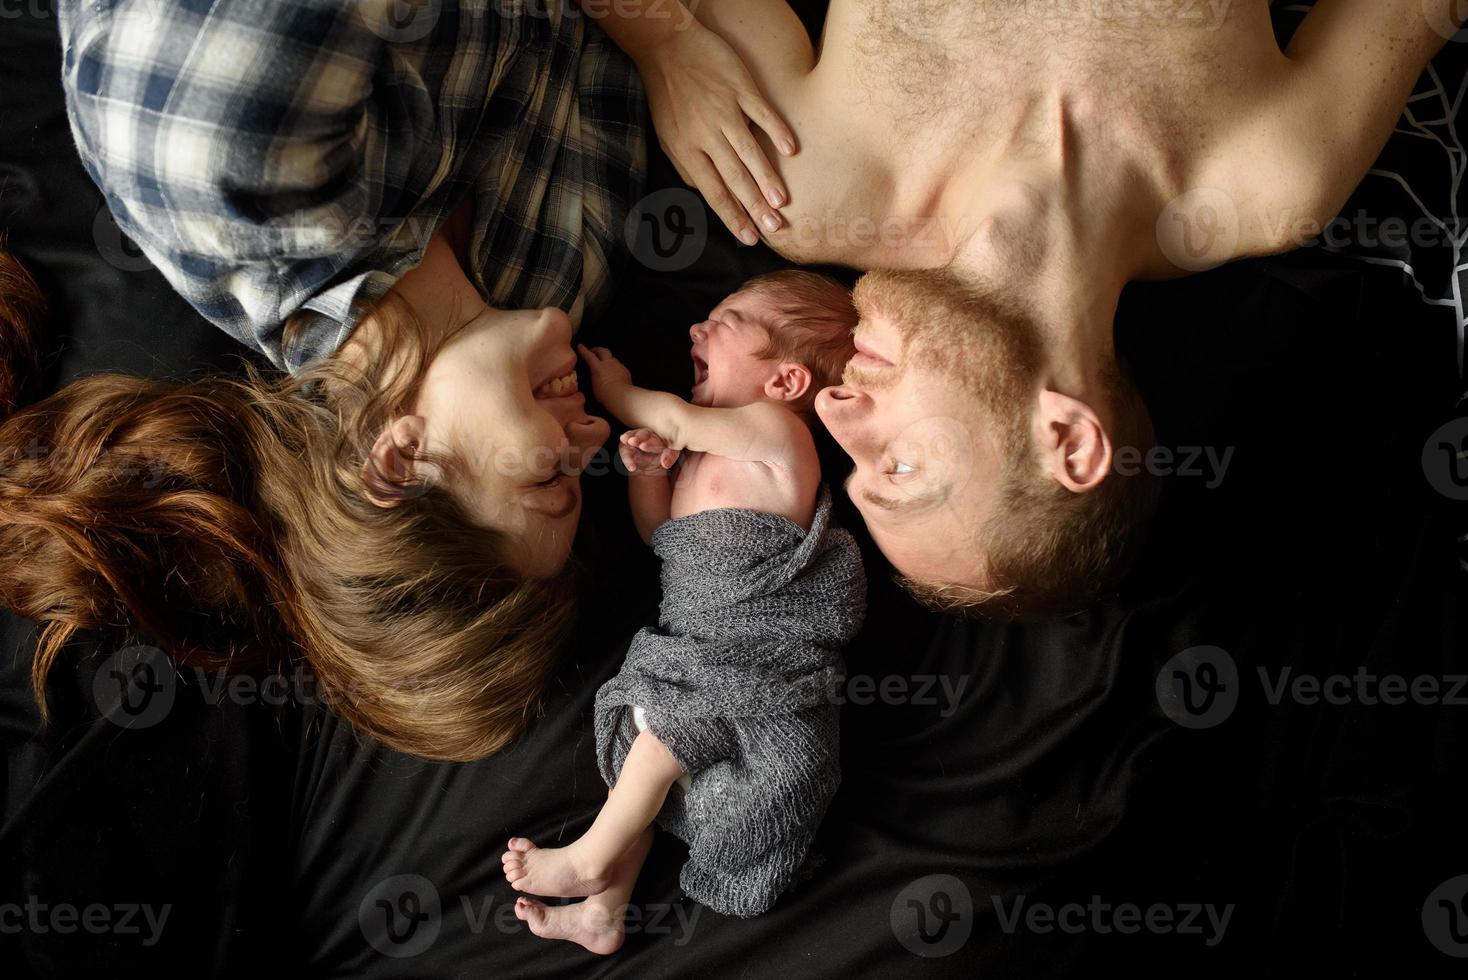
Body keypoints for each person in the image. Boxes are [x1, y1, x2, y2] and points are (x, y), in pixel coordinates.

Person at [0, 0, 795, 759]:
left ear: (398, 460)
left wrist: (663, 39)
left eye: (550, 474)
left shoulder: (235, 158)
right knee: (819, 191)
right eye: (584, 474)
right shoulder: (551, 281)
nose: (594, 433)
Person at [590, 0, 1465, 618]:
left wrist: (656, 40)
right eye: (897, 471)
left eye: (850, 466)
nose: (831, 410)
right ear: (1069, 440)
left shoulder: (809, 185)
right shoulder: (1268, 179)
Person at [500, 270, 865, 953]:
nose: (696, 328)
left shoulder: (777, 434)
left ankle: (588, 858)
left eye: (725, 322)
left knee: (666, 731)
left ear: (785, 383)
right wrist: (647, 478)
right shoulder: (709, 451)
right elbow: (662, 536)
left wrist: (617, 395)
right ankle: (605, 907)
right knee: (647, 752)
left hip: (756, 657)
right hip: (696, 644)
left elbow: (667, 416)